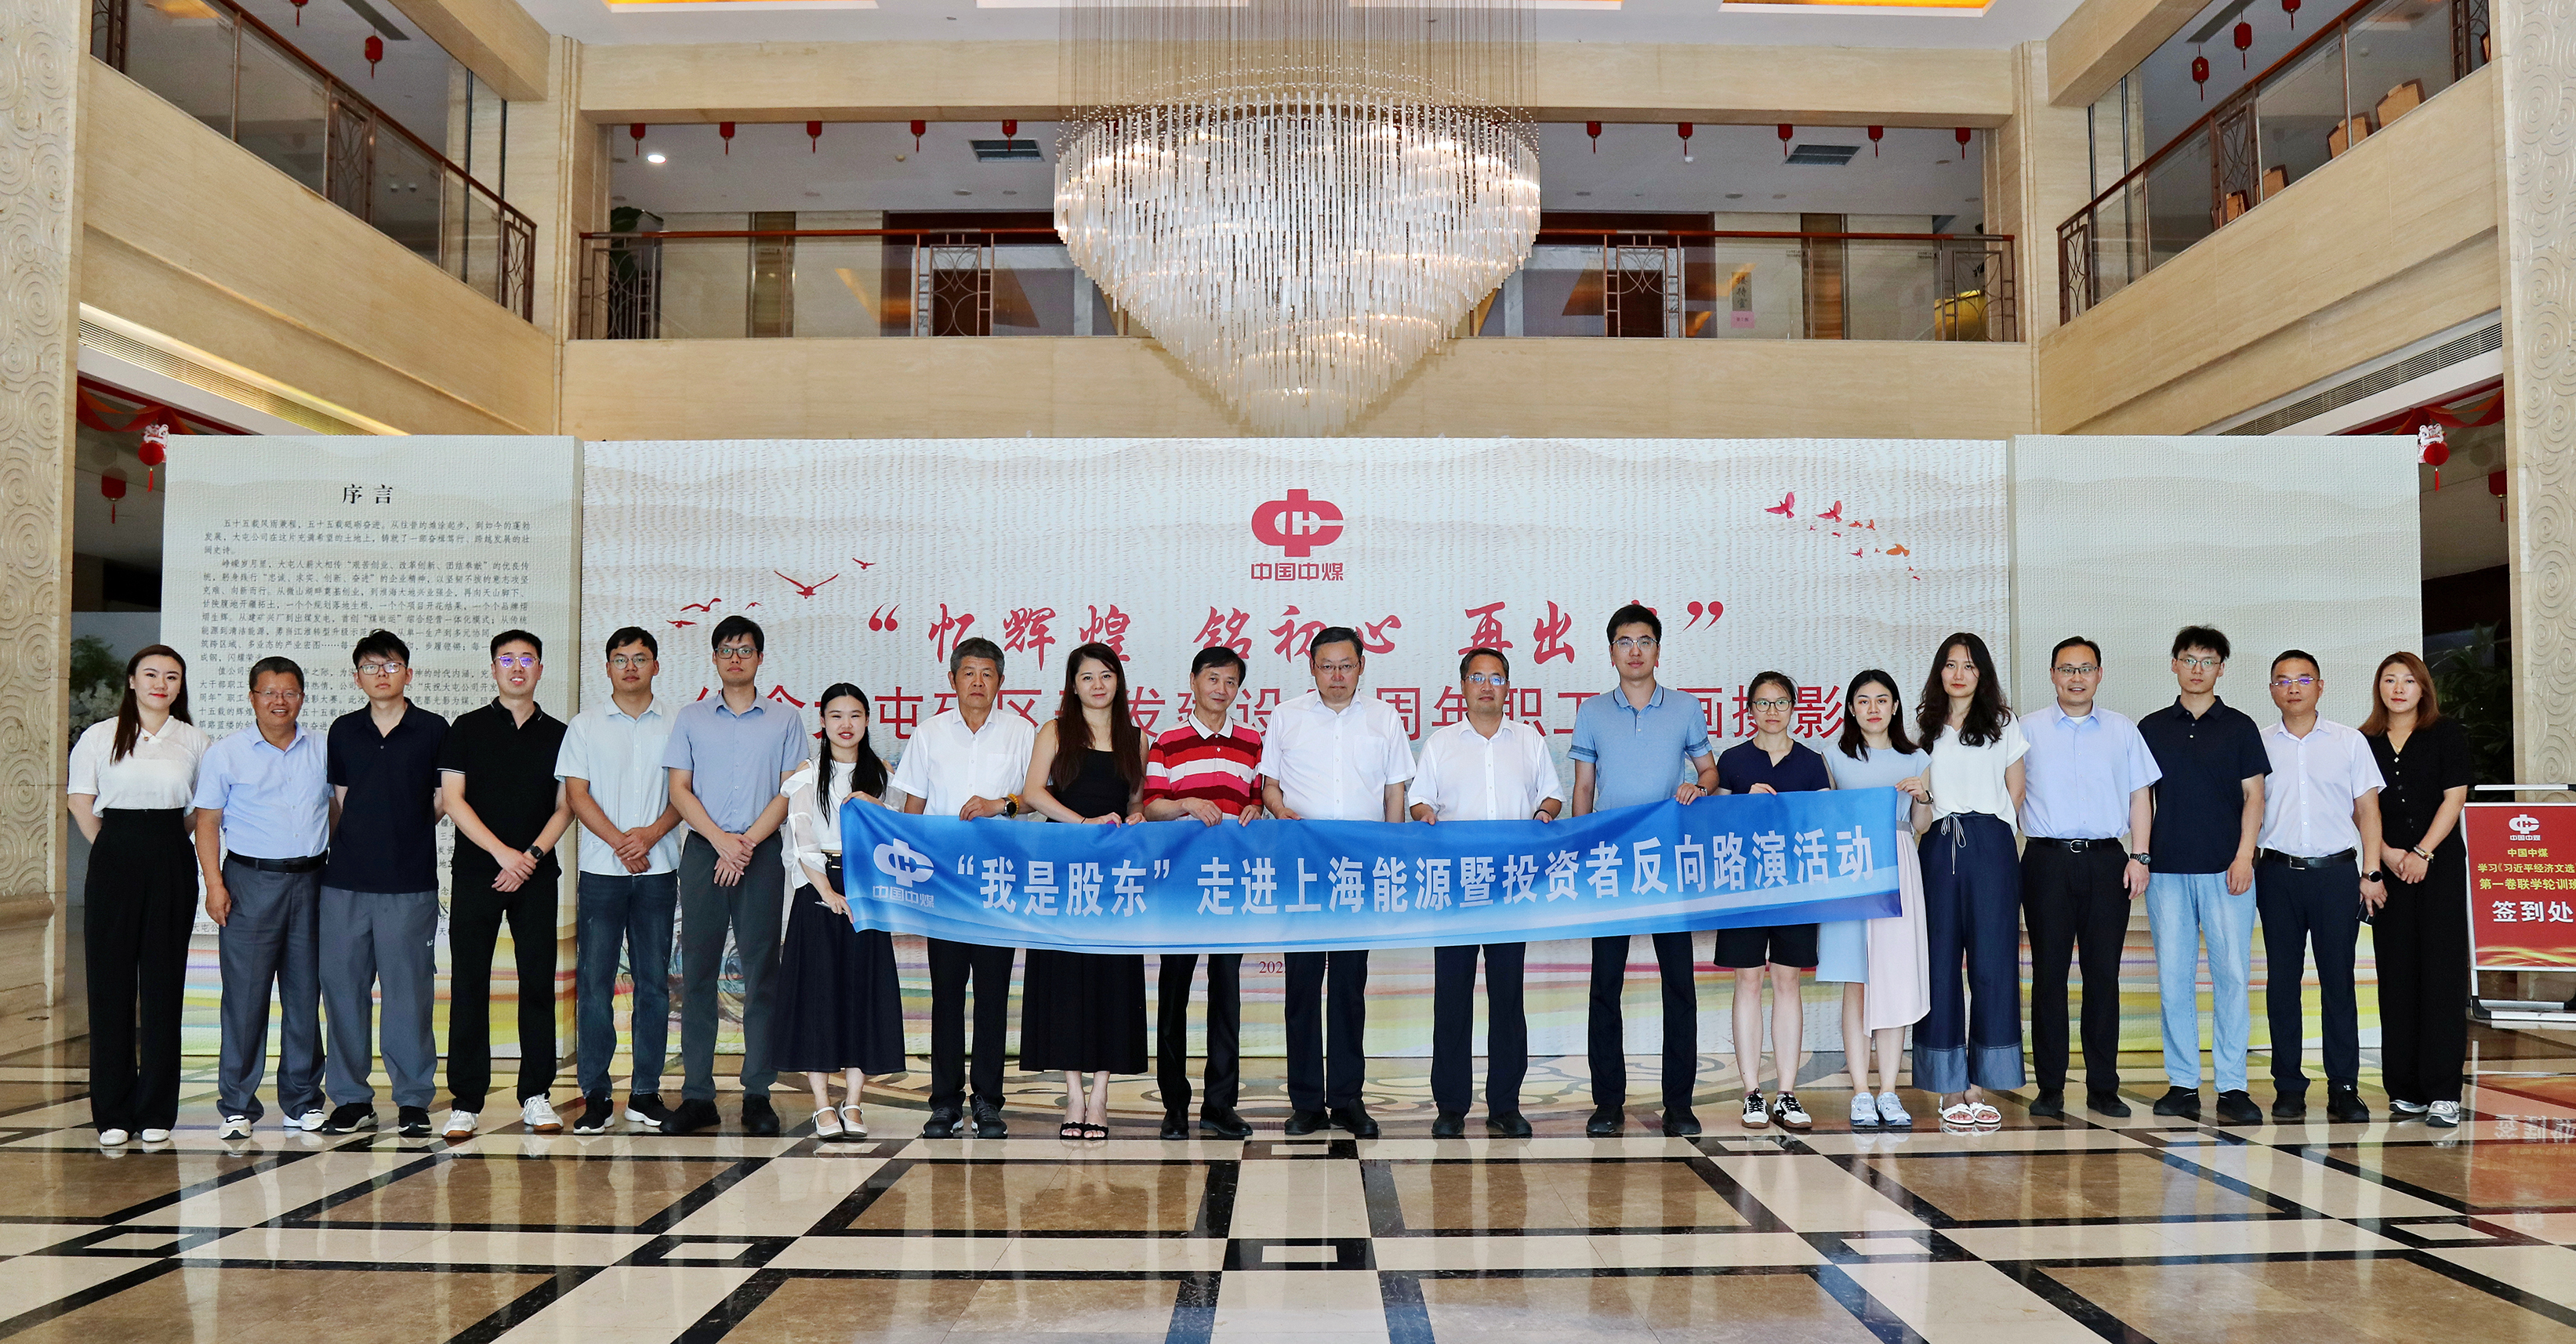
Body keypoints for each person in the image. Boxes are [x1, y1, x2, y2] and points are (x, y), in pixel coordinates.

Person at [1569, 603, 1717, 1137]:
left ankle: (1679, 1103)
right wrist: (1580, 854)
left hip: (1667, 864)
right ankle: (1608, 1102)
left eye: (1645, 641)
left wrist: (1698, 786)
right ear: (1611, 652)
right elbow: (1583, 788)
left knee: (1679, 985)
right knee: (1605, 985)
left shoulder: (1685, 708)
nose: (1635, 651)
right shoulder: (1592, 711)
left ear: (1658, 650)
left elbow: (1709, 770)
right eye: (1625, 642)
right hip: (1610, 865)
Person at [1261, 625, 1413, 1139]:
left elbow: (1394, 792)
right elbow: (1269, 786)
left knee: (1349, 987)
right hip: (1304, 868)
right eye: (1327, 666)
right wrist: (1281, 810)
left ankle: (1348, 1098)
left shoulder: (1384, 718)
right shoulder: (1287, 716)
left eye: (1346, 666)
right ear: (1312, 668)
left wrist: (1390, 854)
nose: (1337, 676)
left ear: (1361, 666)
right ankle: (1306, 1102)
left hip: (1360, 870)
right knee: (1302, 987)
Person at [663, 615, 809, 1136]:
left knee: (761, 974)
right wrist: (722, 841)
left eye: (745, 649)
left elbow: (790, 792)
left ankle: (757, 1094)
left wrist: (744, 844)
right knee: (697, 975)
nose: (735, 658)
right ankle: (697, 1095)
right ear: (714, 658)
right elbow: (679, 790)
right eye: (726, 650)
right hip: (705, 852)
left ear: (760, 658)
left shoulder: (786, 720)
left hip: (761, 854)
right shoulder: (692, 718)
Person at [1408, 647, 1562, 1139]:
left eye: (1496, 678)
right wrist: (1425, 816)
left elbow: (1552, 794)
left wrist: (1544, 814)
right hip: (1456, 888)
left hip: (1511, 887)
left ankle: (1505, 1105)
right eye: (1477, 677)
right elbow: (1418, 801)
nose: (1487, 686)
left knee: (1507, 999)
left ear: (1508, 687)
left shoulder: (1529, 740)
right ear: (1462, 687)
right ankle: (1451, 1106)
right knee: (1452, 998)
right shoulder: (1441, 743)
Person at [892, 635, 1036, 1139]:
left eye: (987, 673)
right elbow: (912, 811)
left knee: (993, 996)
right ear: (952, 680)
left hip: (999, 883)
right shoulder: (929, 734)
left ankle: (989, 1102)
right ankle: (946, 1104)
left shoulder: (1021, 732)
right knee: (947, 996)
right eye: (969, 673)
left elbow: (1038, 798)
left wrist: (1002, 805)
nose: (978, 682)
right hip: (945, 886)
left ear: (1001, 682)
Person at [67, 645, 209, 1146]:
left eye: (172, 677)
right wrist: (113, 847)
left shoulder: (194, 740)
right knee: (110, 984)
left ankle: (156, 1111)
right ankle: (112, 1112)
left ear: (180, 686)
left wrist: (163, 842)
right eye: (151, 674)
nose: (160, 684)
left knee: (164, 985)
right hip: (114, 855)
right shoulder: (99, 735)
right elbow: (80, 800)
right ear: (132, 680)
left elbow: (201, 809)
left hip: (171, 856)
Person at [2015, 637, 2160, 1121]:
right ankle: (2050, 1087)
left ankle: (2103, 1086)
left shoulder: (2122, 730)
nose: (2076, 678)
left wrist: (2140, 856)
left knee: (2103, 976)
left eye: (2085, 669)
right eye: (2066, 669)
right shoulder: (2026, 730)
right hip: (2046, 861)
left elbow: (2141, 797)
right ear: (2052, 675)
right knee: (2048, 976)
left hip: (2106, 862)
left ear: (2099, 674)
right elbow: (2010, 794)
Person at [436, 630, 573, 1139]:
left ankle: (536, 1094)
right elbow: (453, 799)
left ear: (540, 668)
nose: (517, 668)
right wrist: (503, 854)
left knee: (537, 982)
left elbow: (567, 806)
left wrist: (530, 857)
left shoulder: (560, 733)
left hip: (536, 874)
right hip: (478, 873)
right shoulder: (466, 727)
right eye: (507, 659)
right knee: (469, 982)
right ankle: (466, 1100)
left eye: (527, 659)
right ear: (494, 668)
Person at [194, 656, 335, 1141]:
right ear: (252, 697)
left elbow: (335, 810)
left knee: (305, 995)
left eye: (289, 692)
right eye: (269, 692)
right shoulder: (227, 753)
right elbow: (208, 822)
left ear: (302, 698)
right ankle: (237, 1105)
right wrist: (214, 884)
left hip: (312, 881)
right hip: (249, 883)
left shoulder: (322, 748)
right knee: (245, 998)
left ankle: (302, 1100)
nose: (280, 701)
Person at [2135, 626, 2270, 1124]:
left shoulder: (2240, 727)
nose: (2197, 669)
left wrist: (2244, 856)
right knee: (2174, 979)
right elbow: (2141, 799)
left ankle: (2233, 1087)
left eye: (2207, 661)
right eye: (2189, 659)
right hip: (2167, 871)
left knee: (2232, 976)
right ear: (2174, 664)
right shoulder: (2151, 727)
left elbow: (2255, 796)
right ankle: (2183, 1084)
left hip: (2227, 870)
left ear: (2221, 669)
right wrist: (2141, 857)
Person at [317, 630, 448, 1138]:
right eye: (371, 666)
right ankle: (352, 1099)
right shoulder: (343, 730)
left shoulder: (432, 728)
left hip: (409, 885)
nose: (381, 674)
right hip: (345, 884)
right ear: (358, 677)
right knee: (344, 993)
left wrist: (405, 830)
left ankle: (413, 1100)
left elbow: (443, 798)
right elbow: (341, 800)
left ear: (408, 673)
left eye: (391, 665)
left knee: (408, 996)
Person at [557, 626, 686, 1135]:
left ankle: (646, 1093)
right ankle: (596, 1095)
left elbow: (686, 791)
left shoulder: (678, 723)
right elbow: (577, 795)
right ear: (607, 666)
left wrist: (649, 836)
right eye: (620, 658)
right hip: (601, 872)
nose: (630, 667)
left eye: (640, 658)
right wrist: (620, 842)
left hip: (659, 869)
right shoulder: (585, 725)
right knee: (594, 985)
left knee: (654, 985)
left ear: (657, 665)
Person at [1021, 643, 1152, 1140]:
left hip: (1116, 878)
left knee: (1112, 981)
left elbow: (1135, 802)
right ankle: (1073, 1095)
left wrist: (1135, 819)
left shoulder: (1136, 739)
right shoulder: (1055, 732)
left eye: (1106, 675)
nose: (1098, 685)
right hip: (1063, 872)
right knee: (1064, 980)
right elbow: (1034, 793)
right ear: (1073, 686)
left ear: (1119, 682)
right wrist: (1083, 825)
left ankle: (1100, 1096)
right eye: (1087, 677)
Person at [2256, 650, 2386, 1125]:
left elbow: (2368, 811)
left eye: (2303, 678)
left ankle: (2344, 1087)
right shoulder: (2258, 744)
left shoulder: (2350, 742)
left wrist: (2372, 872)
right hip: (2277, 874)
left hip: (2336, 876)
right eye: (2282, 680)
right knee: (2282, 983)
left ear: (2320, 686)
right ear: (2272, 689)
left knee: (2338, 982)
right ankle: (2288, 1087)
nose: (2293, 687)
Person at [1140, 646, 1264, 1141]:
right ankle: (1174, 1106)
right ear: (1193, 681)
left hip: (1230, 886)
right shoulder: (1167, 743)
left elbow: (1257, 799)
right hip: (1178, 886)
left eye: (1231, 681)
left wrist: (1256, 810)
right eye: (1212, 678)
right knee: (1173, 995)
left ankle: (1220, 1105)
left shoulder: (1252, 742)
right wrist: (1186, 802)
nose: (1221, 689)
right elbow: (1151, 806)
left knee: (1226, 995)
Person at [775, 685, 905, 1140]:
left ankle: (853, 1102)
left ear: (867, 720)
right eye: (836, 715)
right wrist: (827, 891)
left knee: (862, 992)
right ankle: (822, 1105)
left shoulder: (883, 775)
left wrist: (877, 806)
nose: (845, 725)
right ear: (823, 722)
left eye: (854, 715)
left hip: (868, 888)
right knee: (818, 994)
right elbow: (802, 838)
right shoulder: (807, 775)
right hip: (819, 889)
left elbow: (899, 833)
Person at [1711, 671, 1833, 1132]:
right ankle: (1751, 1093)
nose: (1772, 711)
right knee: (1747, 982)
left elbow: (1828, 820)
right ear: (1750, 710)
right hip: (1743, 886)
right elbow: (1712, 822)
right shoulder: (1733, 760)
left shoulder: (1812, 762)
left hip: (1795, 888)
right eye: (1762, 703)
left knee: (1787, 982)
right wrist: (1743, 800)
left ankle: (1786, 1092)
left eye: (1781, 702)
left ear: (1794, 708)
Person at [1914, 632, 2026, 1128]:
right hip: (1939, 845)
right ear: (1939, 672)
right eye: (1950, 665)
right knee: (1939, 963)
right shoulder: (1925, 727)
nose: (1959, 674)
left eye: (1969, 666)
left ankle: (1981, 1084)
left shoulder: (2003, 723)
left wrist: (1989, 835)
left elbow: (2016, 791)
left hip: (1991, 846)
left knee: (1992, 964)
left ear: (1982, 674)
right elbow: (1919, 801)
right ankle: (1948, 1086)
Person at [2362, 651, 2473, 1128]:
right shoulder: (2364, 741)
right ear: (2379, 688)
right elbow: (2360, 806)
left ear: (2423, 688)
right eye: (2390, 680)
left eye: (2409, 680)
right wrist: (2387, 855)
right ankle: (2404, 1089)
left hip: (2438, 868)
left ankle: (2444, 1092)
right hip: (2388, 871)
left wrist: (2422, 852)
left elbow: (2455, 797)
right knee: (2398, 974)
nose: (2399, 689)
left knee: (2442, 977)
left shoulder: (2445, 733)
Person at [1824, 671, 1932, 1132]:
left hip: (1899, 863)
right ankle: (1860, 1092)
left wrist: (1923, 796)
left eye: (1882, 699)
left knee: (1894, 978)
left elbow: (1922, 824)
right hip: (1851, 868)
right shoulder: (1833, 756)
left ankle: (1889, 1090)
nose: (1873, 708)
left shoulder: (1917, 757)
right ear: (1851, 708)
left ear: (1895, 706)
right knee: (1858, 980)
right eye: (1863, 700)